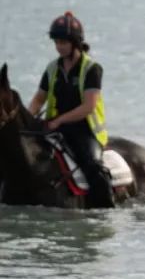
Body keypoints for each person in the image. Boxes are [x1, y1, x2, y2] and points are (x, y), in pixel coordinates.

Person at [27, 11, 114, 208]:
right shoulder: (52, 69)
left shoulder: (91, 69)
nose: (59, 47)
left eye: (63, 43)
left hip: (84, 130)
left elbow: (88, 106)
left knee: (95, 169)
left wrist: (60, 120)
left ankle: (106, 210)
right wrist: (26, 120)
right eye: (56, 42)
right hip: (55, 127)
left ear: (75, 42)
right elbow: (38, 100)